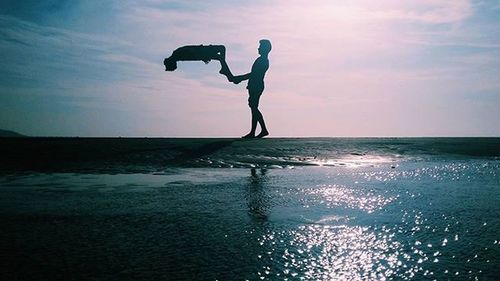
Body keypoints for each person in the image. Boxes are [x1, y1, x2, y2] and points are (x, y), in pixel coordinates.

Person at [219, 40, 271, 138]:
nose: (258, 48)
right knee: (253, 107)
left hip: (257, 85)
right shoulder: (261, 60)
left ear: (265, 49)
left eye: (260, 47)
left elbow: (253, 74)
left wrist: (239, 78)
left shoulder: (262, 61)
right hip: (255, 85)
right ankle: (257, 131)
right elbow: (253, 75)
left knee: (254, 107)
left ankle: (261, 130)